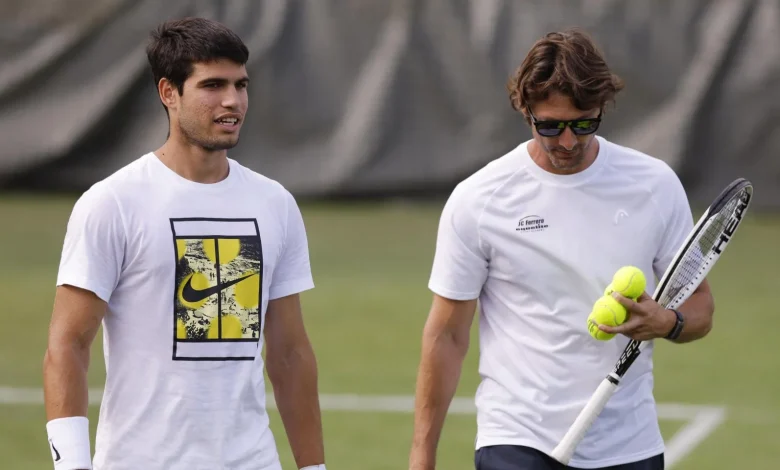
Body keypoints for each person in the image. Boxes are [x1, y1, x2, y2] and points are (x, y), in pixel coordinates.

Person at [409, 28, 715, 470]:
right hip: (515, 438)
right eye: (550, 126)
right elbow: (446, 335)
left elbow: (701, 307)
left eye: (584, 123)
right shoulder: (479, 200)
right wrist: (422, 456)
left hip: (628, 445)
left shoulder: (655, 186)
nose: (568, 141)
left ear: (602, 109)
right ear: (525, 110)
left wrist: (666, 321)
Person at [43, 17, 326, 470]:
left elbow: (290, 353)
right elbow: (68, 344)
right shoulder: (112, 203)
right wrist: (72, 465)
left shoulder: (275, 204)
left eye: (241, 84)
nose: (233, 100)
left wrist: (314, 468)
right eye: (213, 85)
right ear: (168, 93)